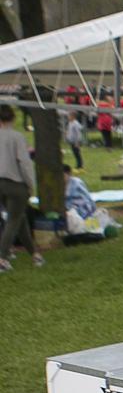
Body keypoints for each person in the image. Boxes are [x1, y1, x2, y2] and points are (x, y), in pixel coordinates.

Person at [0, 102, 42, 271]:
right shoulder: (16, 137)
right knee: (13, 220)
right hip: (15, 183)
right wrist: (31, 185)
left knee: (20, 218)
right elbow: (25, 164)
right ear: (13, 117)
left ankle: (35, 254)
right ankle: (2, 258)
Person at [63, 168, 120, 239]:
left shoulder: (76, 183)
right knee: (73, 218)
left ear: (69, 174)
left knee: (97, 217)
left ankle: (90, 231)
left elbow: (84, 202)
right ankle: (89, 231)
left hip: (84, 215)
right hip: (75, 218)